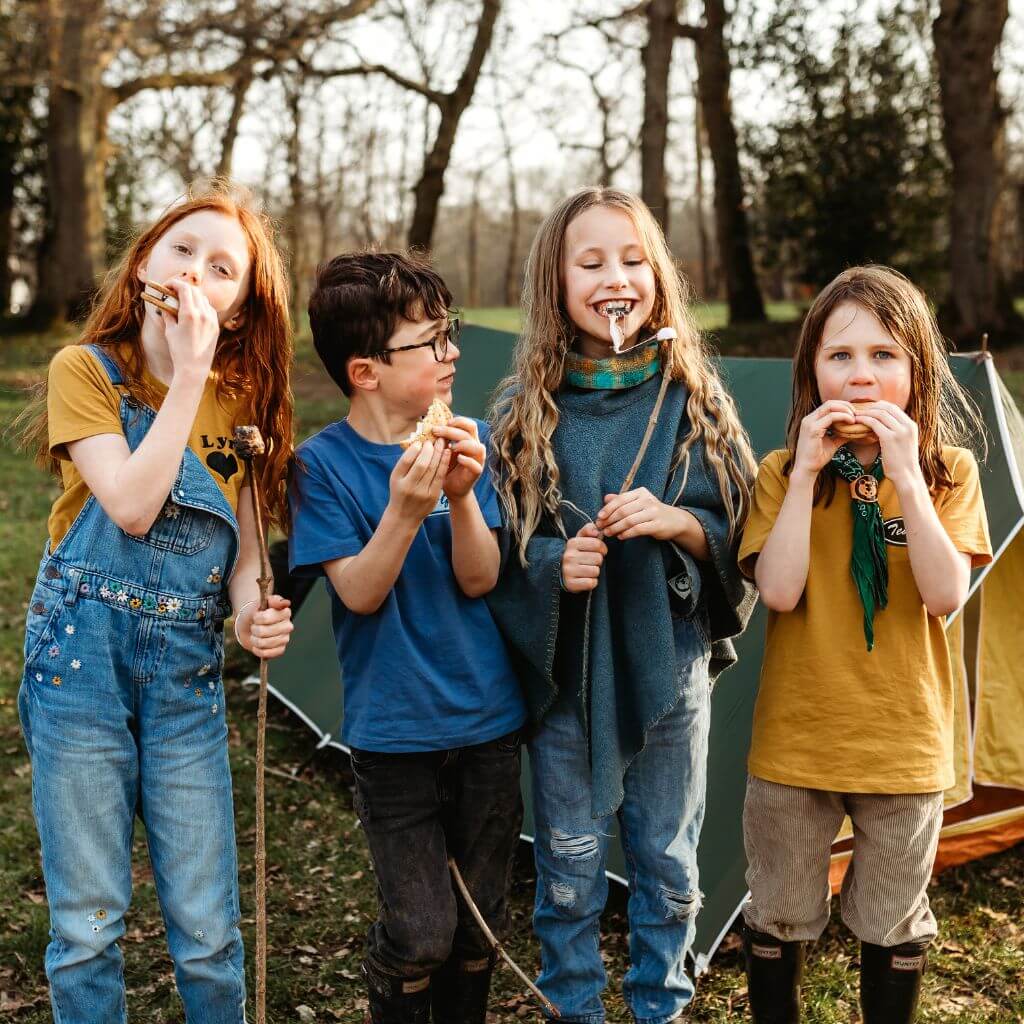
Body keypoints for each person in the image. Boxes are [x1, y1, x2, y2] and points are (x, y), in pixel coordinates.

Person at [17, 183, 297, 1023]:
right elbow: (133, 506)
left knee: (210, 930)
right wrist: (186, 377)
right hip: (80, 664)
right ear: (145, 264)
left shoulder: (247, 409)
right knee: (89, 921)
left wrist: (252, 613)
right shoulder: (85, 371)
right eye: (182, 250)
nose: (195, 273)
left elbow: (246, 555)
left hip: (184, 675)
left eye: (223, 269)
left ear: (239, 310)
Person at [487, 186, 757, 1022]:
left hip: (668, 672)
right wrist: (550, 565)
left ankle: (660, 1005)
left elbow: (741, 526)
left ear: (660, 277)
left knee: (667, 865)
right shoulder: (525, 410)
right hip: (566, 680)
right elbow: (495, 552)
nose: (616, 277)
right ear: (555, 283)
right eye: (591, 261)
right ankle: (575, 1006)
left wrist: (678, 522)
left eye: (634, 260)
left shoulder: (693, 399)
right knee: (567, 866)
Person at [737, 265, 992, 1024]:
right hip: (796, 739)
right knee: (779, 910)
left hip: (904, 741)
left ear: (918, 372)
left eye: (885, 357)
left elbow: (946, 596)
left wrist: (906, 477)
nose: (861, 377)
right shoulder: (784, 471)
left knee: (891, 916)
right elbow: (778, 592)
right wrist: (812, 465)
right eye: (839, 356)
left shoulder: (950, 474)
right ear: (812, 371)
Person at [288, 250, 527, 1024]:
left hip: (487, 720)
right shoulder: (320, 468)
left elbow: (480, 579)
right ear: (367, 371)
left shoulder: (469, 438)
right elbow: (358, 592)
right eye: (432, 340)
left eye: (447, 332)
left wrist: (459, 499)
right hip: (394, 735)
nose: (453, 350)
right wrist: (402, 510)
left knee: (478, 922)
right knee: (422, 930)